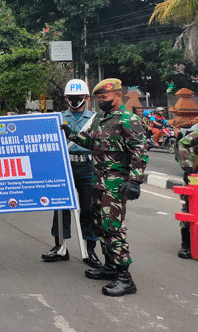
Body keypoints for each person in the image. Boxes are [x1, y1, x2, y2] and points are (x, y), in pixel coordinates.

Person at [61, 78, 148, 297]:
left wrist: (135, 181)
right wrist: (69, 132)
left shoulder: (128, 119)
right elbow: (91, 143)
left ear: (118, 95)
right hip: (98, 180)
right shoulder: (101, 119)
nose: (102, 101)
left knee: (113, 228)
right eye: (99, 98)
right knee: (99, 225)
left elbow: (140, 150)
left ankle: (125, 278)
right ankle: (109, 266)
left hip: (116, 184)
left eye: (105, 98)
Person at [41, 79, 102, 269]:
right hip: (64, 166)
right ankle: (60, 247)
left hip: (87, 167)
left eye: (78, 97)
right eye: (71, 97)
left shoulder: (95, 119)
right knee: (61, 208)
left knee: (89, 208)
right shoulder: (58, 118)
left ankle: (89, 249)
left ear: (86, 98)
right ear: (66, 98)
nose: (75, 101)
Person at [176, 130, 198, 258]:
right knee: (190, 207)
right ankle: (186, 245)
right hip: (195, 174)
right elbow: (183, 143)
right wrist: (187, 167)